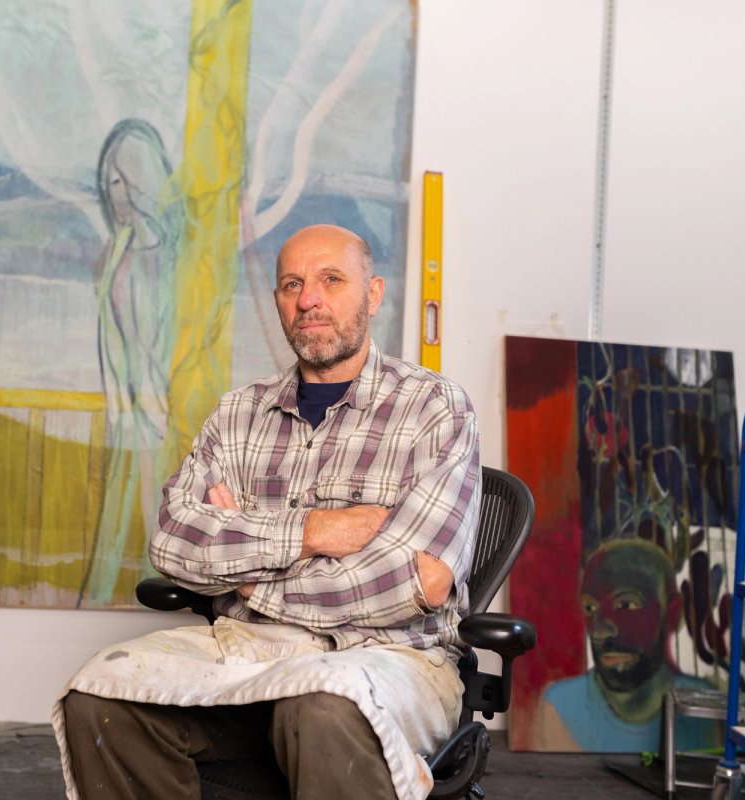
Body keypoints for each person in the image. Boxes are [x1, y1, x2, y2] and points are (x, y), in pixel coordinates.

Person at [54, 224, 481, 800]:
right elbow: (174, 539)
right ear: (280, 301)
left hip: (390, 658)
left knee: (321, 707)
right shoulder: (236, 415)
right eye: (292, 284)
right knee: (98, 701)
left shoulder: (435, 408)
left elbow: (416, 581)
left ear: (373, 294)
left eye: (332, 279)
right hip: (247, 650)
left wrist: (252, 581)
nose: (310, 298)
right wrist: (313, 532)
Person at [80, 119, 183, 607]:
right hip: (130, 406)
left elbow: (169, 333)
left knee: (159, 503)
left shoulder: (173, 256)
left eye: (121, 179)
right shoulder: (116, 251)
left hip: (163, 405)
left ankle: (164, 584)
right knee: (137, 502)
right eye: (108, 183)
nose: (113, 192)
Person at [534, 538, 716, 751]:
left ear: (672, 613)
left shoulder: (704, 710)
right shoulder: (560, 707)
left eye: (626, 604)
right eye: (590, 608)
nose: (600, 630)